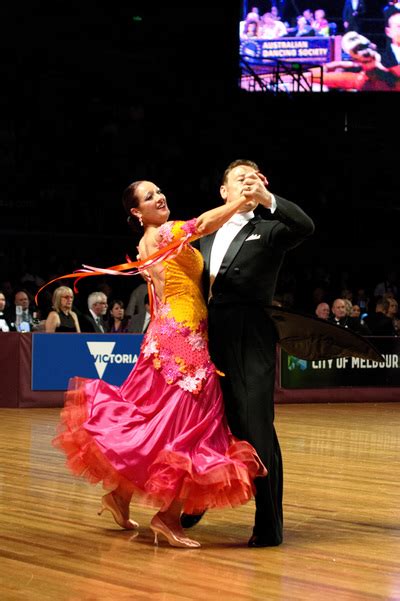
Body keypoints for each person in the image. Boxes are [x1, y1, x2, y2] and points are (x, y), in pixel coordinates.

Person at [50, 179, 267, 549]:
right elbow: (201, 225)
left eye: (159, 191)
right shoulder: (165, 232)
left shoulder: (145, 242)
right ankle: (167, 518)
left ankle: (119, 497)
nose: (159, 196)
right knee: (194, 424)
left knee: (158, 419)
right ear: (137, 212)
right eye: (149, 196)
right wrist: (243, 201)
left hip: (166, 334)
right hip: (183, 339)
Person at [180, 159, 315, 547]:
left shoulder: (270, 229)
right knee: (203, 425)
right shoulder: (204, 233)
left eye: (253, 179)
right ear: (224, 192)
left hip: (250, 335)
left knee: (256, 429)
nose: (247, 184)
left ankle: (269, 525)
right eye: (239, 179)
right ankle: (196, 500)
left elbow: (305, 226)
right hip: (208, 336)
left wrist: (270, 198)